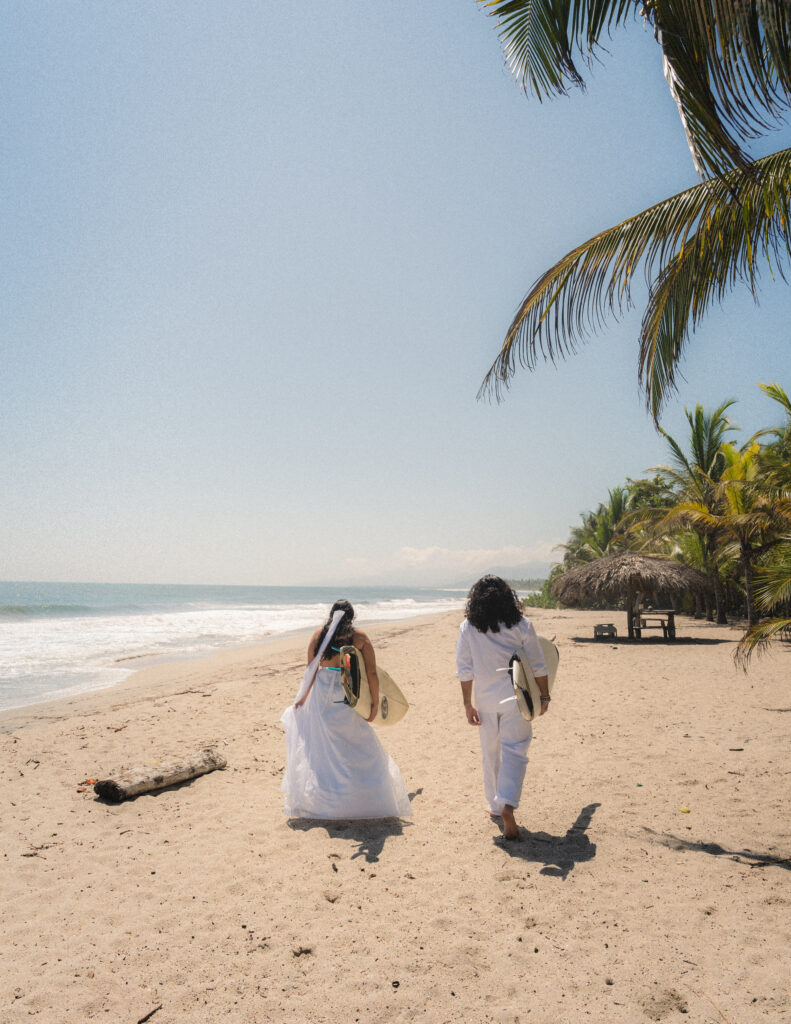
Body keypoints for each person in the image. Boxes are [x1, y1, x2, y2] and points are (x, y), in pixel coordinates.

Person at [280, 599, 413, 820]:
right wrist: (373, 705)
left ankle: (329, 801)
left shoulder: (318, 636)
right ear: (351, 617)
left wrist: (302, 700)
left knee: (326, 749)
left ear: (331, 615)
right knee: (358, 743)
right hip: (348, 691)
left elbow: (310, 670)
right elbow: (370, 673)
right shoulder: (359, 638)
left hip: (322, 694)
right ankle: (363, 799)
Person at [456, 576, 549, 840]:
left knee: (490, 752)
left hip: (485, 700)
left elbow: (464, 668)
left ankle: (495, 806)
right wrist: (544, 696)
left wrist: (467, 704)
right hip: (516, 699)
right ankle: (507, 803)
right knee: (516, 752)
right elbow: (539, 664)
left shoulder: (468, 627)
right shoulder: (521, 625)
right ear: (509, 598)